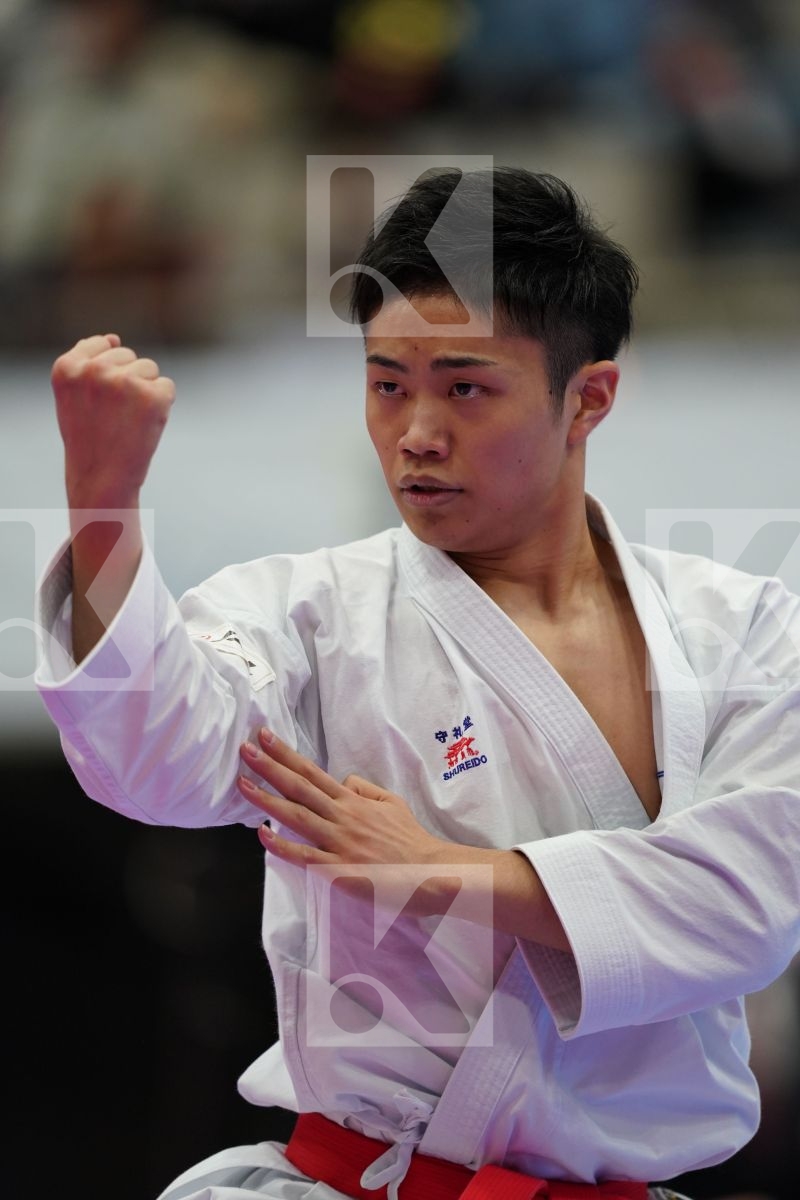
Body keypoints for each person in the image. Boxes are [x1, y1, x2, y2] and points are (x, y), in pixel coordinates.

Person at [35, 168, 799, 1200]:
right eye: (386, 382)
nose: (415, 432)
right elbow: (152, 766)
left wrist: (437, 870)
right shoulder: (307, 615)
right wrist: (104, 505)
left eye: (464, 386)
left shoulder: (745, 628)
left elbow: (741, 907)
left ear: (588, 399)